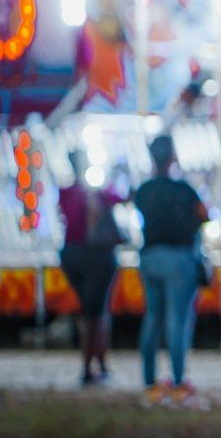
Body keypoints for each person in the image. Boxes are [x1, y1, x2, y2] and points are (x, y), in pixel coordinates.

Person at [133, 134, 209, 408]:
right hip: (179, 258)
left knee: (152, 318)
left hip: (150, 256)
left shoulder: (144, 190)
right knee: (177, 320)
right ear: (173, 156)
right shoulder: (184, 190)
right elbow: (204, 216)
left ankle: (150, 383)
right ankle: (177, 383)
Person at [58, 149, 125, 386]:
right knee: (97, 314)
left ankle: (93, 365)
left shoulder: (65, 193)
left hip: (72, 255)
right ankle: (95, 366)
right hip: (97, 256)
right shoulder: (99, 192)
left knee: (89, 311)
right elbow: (121, 198)